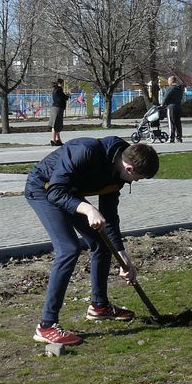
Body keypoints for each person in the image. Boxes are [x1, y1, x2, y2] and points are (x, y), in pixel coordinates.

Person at [26, 137, 160, 345]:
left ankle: (99, 306)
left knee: (101, 243)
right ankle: (46, 325)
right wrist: (88, 209)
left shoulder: (118, 174)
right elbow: (56, 192)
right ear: (131, 168)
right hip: (44, 189)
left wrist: (124, 258)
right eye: (139, 178)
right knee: (68, 249)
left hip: (70, 192)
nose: (136, 182)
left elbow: (110, 218)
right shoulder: (86, 151)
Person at [161, 76, 185, 143]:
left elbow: (166, 97)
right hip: (178, 106)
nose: (168, 83)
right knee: (178, 123)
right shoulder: (180, 88)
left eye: (168, 81)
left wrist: (162, 105)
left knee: (171, 122)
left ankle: (171, 138)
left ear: (171, 81)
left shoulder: (170, 88)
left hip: (171, 107)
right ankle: (179, 137)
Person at [48, 78, 69, 146]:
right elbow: (62, 98)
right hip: (58, 108)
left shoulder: (54, 89)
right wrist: (67, 96)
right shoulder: (59, 90)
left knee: (56, 124)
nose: (63, 84)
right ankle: (53, 140)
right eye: (63, 83)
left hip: (54, 108)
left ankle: (58, 140)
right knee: (56, 124)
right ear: (61, 83)